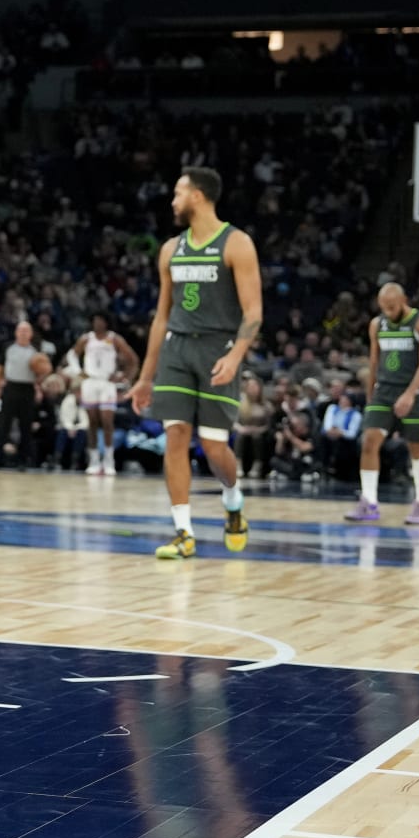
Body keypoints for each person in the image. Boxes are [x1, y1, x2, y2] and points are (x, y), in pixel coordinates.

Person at [127, 167, 262, 558]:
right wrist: (144, 376)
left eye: (178, 193)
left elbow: (253, 311)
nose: (172, 201)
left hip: (218, 347)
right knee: (175, 436)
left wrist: (236, 355)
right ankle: (183, 532)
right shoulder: (171, 249)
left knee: (214, 446)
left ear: (198, 196)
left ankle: (233, 502)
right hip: (177, 349)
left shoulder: (237, 244)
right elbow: (161, 317)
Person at [346, 283, 419, 525]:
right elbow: (374, 361)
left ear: (404, 299)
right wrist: (369, 393)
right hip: (384, 390)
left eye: (392, 307)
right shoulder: (377, 324)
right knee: (369, 442)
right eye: (383, 307)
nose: (387, 312)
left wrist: (409, 394)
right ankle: (369, 502)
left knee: (417, 448)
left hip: (414, 390)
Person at [71, 312, 138, 476]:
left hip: (107, 383)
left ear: (107, 322)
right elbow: (72, 355)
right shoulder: (87, 338)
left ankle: (109, 460)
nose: (97, 323)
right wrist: (79, 372)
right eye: (95, 320)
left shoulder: (114, 338)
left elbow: (133, 359)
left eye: (100, 320)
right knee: (92, 422)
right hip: (90, 382)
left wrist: (125, 378)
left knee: (107, 422)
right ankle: (93, 460)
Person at [0, 321, 40, 469]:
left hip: (27, 388)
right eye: (21, 330)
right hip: (10, 387)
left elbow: (40, 373)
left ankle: (23, 460)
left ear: (31, 334)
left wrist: (38, 387)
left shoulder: (36, 351)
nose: (23, 333)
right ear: (16, 332)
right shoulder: (8, 347)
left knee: (25, 426)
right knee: (3, 425)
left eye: (26, 330)